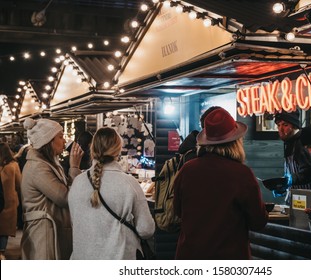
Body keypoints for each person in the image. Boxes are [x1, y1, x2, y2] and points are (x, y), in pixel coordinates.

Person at [173, 108, 268, 259]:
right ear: (236, 141)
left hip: (190, 256)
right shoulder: (242, 174)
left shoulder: (187, 170)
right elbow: (258, 221)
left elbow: (178, 211)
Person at [68, 127, 155, 259]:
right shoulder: (129, 183)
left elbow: (75, 221)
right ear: (118, 150)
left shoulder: (78, 183)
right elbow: (146, 229)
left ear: (92, 149)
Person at [20, 117, 84, 260]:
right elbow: (65, 198)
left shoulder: (48, 164)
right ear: (48, 141)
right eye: (60, 137)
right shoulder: (38, 167)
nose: (64, 141)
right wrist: (74, 167)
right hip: (45, 235)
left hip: (51, 231)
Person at [272, 110, 311, 197]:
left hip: (310, 197)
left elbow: (309, 173)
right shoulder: (289, 143)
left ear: (295, 126)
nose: (280, 129)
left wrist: (290, 179)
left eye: (285, 125)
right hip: (296, 198)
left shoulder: (303, 142)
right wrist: (284, 187)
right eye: (278, 125)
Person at [0, 143, 22, 260]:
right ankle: (2, 251)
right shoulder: (13, 166)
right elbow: (19, 184)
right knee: (5, 229)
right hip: (10, 202)